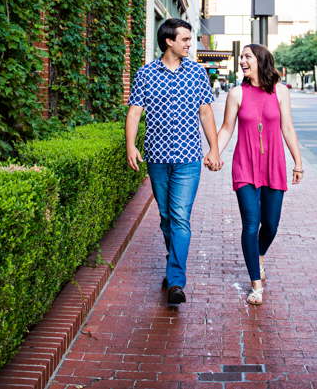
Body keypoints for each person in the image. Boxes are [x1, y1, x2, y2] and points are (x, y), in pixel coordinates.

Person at [125, 18, 222, 305]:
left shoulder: (196, 73)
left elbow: (205, 113)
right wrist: (130, 146)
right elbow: (134, 113)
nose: (190, 44)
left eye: (190, 39)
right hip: (156, 157)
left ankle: (176, 281)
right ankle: (173, 264)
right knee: (167, 218)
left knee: (180, 217)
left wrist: (214, 149)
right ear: (169, 41)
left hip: (188, 158)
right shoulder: (145, 74)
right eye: (185, 40)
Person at [215, 44, 303, 306]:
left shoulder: (281, 92)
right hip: (245, 165)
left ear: (261, 60)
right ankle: (256, 283)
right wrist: (214, 152)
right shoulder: (236, 93)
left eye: (247, 57)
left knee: (271, 226)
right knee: (250, 226)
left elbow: (287, 128)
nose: (242, 61)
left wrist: (298, 162)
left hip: (274, 165)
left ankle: (259, 255)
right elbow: (227, 128)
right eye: (241, 57)